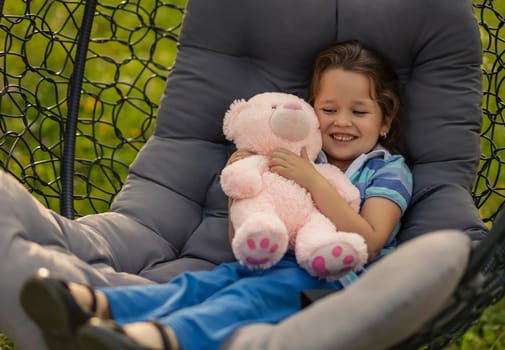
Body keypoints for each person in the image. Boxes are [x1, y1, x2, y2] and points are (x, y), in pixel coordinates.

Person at [19, 40, 412, 350]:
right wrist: (245, 183)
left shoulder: (387, 170)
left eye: (359, 112)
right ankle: (96, 306)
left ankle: (160, 339)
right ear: (311, 111)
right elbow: (243, 236)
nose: (342, 122)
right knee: (204, 286)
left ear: (385, 121)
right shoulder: (299, 154)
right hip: (270, 262)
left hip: (337, 286)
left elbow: (372, 240)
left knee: (245, 301)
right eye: (329, 109)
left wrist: (312, 180)